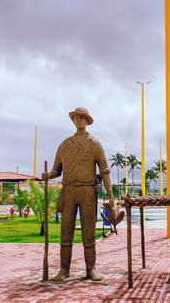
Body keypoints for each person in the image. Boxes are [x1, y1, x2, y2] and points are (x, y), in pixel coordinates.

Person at [42, 107, 114, 282]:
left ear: (87, 121)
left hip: (87, 191)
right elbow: (56, 170)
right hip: (68, 191)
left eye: (82, 117)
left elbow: (104, 171)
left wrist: (110, 195)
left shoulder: (95, 144)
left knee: (88, 233)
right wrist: (48, 176)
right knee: (65, 232)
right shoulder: (65, 145)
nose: (79, 120)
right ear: (73, 120)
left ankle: (91, 269)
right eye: (76, 117)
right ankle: (64, 269)